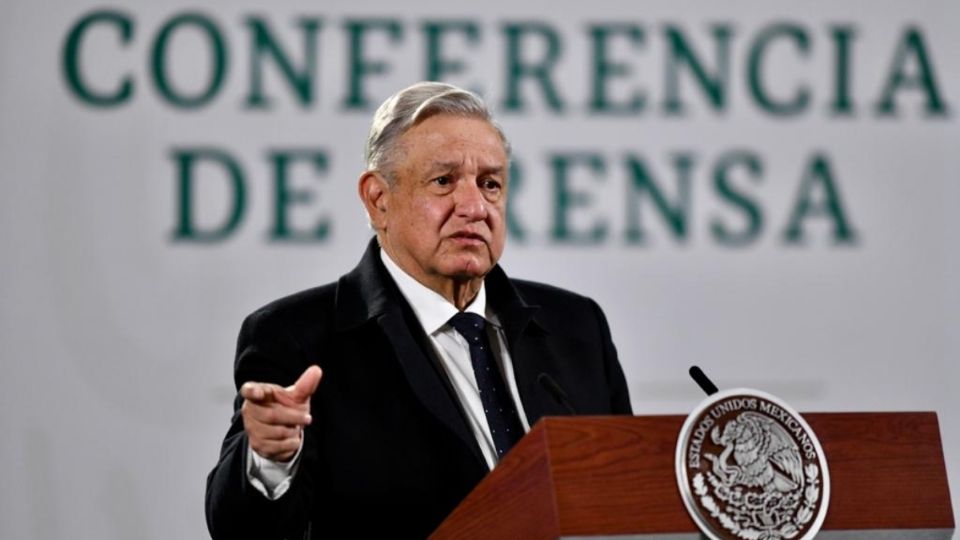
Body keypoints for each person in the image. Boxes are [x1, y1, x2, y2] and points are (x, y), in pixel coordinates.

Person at [205, 82, 632, 539]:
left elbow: (630, 501)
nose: (474, 207)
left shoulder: (576, 325)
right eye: (443, 181)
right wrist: (270, 459)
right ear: (378, 199)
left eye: (490, 184)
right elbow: (241, 532)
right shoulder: (299, 337)